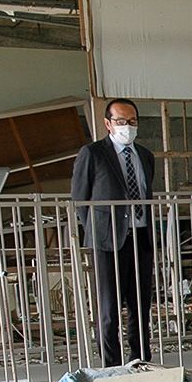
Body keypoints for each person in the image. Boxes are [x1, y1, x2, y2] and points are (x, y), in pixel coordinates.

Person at [71, 98, 156, 367]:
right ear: (108, 124)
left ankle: (140, 360)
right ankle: (112, 366)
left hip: (140, 237)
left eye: (132, 121)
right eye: (120, 121)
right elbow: (80, 198)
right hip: (107, 242)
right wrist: (97, 231)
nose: (127, 126)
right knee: (109, 309)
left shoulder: (145, 156)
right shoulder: (93, 154)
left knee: (140, 305)